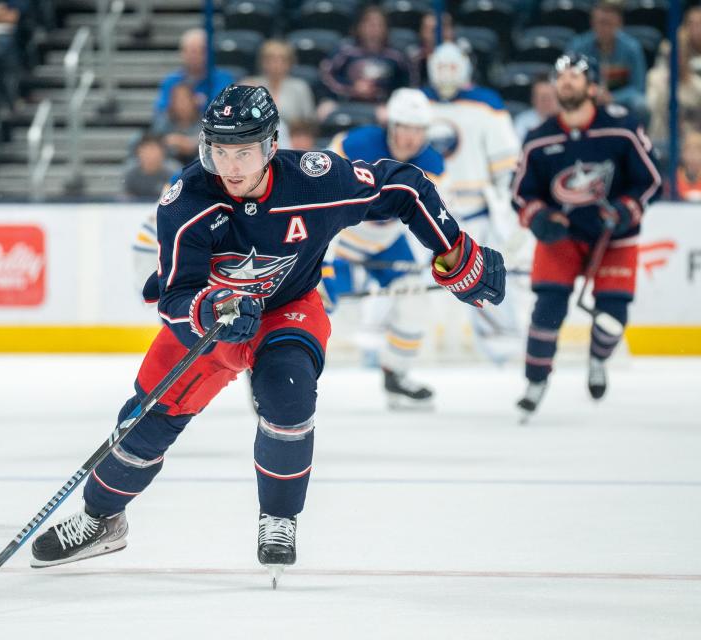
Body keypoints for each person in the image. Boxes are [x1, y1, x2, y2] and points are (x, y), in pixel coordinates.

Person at [29, 85, 505, 578]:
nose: (231, 166)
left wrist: (456, 252)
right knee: (142, 427)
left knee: (288, 396)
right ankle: (100, 521)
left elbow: (405, 187)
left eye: (244, 152)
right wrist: (211, 308)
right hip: (211, 328)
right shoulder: (185, 202)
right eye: (220, 151)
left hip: (287, 312)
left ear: (271, 147)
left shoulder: (315, 181)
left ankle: (278, 517)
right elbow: (172, 299)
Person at [511, 54, 661, 419]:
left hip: (614, 236)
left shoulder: (623, 128)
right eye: (560, 75)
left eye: (575, 76)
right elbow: (520, 193)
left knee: (612, 316)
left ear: (592, 87)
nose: (566, 81)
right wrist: (538, 216)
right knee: (547, 309)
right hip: (563, 235)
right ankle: (535, 381)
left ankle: (598, 358)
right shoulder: (538, 138)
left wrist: (627, 209)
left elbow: (651, 179)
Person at [325, 88, 445, 408]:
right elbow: (320, 194)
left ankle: (396, 374)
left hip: (384, 243)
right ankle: (273, 373)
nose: (411, 138)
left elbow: (430, 215)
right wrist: (323, 252)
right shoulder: (355, 144)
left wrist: (444, 256)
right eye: (405, 127)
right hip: (338, 239)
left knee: (414, 296)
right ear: (391, 125)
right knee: (319, 305)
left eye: (419, 130)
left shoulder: (431, 162)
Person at [423, 42, 525, 365]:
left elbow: (506, 164)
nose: (447, 75)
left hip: (475, 212)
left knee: (482, 279)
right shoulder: (418, 104)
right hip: (425, 213)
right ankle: (406, 350)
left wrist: (510, 209)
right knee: (414, 283)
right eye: (441, 68)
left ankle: (502, 351)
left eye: (453, 68)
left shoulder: (486, 105)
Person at [319, 5, 412, 109]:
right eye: (369, 24)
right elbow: (326, 75)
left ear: (386, 28)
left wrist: (386, 96)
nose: (374, 29)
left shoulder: (396, 56)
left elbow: (407, 84)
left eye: (378, 25)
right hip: (346, 101)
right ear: (359, 27)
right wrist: (352, 88)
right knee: (325, 109)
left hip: (383, 105)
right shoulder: (345, 51)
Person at [567, 0, 647, 118]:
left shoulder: (632, 48)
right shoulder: (578, 46)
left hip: (620, 100)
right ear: (592, 23)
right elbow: (569, 79)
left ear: (619, 24)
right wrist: (592, 95)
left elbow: (638, 87)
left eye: (608, 23)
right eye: (599, 23)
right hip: (587, 98)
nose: (603, 28)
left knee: (641, 105)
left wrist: (613, 98)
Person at [646, 6, 701, 147]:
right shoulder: (655, 78)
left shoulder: (696, 84)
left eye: (681, 54)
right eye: (672, 55)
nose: (677, 59)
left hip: (691, 142)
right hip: (661, 138)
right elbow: (651, 107)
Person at [154, 28, 236, 116]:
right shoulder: (171, 81)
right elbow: (161, 112)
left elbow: (227, 111)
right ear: (182, 53)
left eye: (201, 51)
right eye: (192, 51)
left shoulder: (224, 80)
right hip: (177, 128)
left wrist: (198, 104)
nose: (196, 56)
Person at [243, 40, 316, 125]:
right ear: (262, 62)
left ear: (290, 63)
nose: (276, 64)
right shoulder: (249, 85)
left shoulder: (300, 87)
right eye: (271, 59)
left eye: (282, 59)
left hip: (292, 136)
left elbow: (309, 122)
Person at [151, 83, 202, 164]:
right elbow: (154, 142)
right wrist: (169, 141)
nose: (181, 104)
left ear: (194, 100)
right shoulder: (164, 120)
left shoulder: (205, 120)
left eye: (185, 99)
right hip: (169, 164)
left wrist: (188, 143)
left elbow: (210, 143)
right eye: (177, 100)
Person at [122, 133, 181, 200]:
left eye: (152, 149)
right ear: (138, 153)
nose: (149, 154)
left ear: (162, 152)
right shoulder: (131, 173)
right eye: (145, 150)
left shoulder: (174, 172)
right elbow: (127, 198)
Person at [514, 76, 561, 142]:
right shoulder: (523, 122)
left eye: (550, 96)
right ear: (533, 99)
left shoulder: (570, 120)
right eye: (541, 97)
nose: (546, 101)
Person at [676, 129, 701, 202]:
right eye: (689, 150)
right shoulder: (675, 177)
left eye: (698, 151)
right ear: (683, 154)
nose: (693, 155)